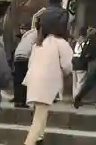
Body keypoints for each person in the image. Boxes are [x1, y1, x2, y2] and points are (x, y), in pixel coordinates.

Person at [23, 9, 73, 145]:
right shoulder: (61, 43)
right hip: (46, 84)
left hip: (33, 82)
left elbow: (30, 63)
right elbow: (67, 65)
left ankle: (40, 140)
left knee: (40, 116)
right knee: (38, 121)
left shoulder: (39, 43)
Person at [13, 22, 37, 108]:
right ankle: (23, 101)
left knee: (18, 79)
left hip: (17, 56)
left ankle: (17, 100)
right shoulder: (37, 34)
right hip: (25, 57)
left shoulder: (27, 35)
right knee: (25, 80)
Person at [71, 26, 89, 99]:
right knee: (80, 81)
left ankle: (74, 96)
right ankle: (77, 98)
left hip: (74, 61)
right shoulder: (86, 42)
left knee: (74, 81)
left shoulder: (75, 42)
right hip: (81, 62)